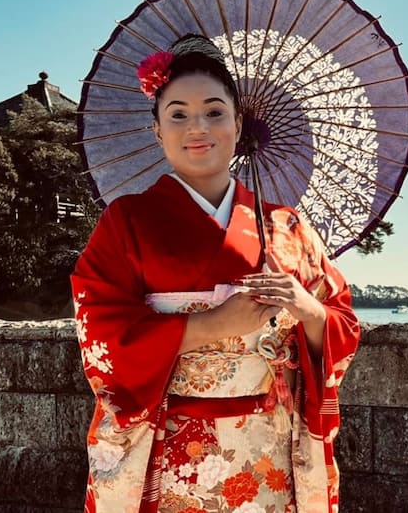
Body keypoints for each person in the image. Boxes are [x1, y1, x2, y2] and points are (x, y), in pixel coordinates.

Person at [71, 34, 360, 513]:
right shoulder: (127, 221)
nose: (197, 127)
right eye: (178, 114)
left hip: (270, 451)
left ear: (238, 122)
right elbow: (100, 331)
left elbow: (343, 322)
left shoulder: (286, 225)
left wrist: (308, 310)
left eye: (214, 111)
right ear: (157, 131)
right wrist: (211, 326)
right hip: (171, 448)